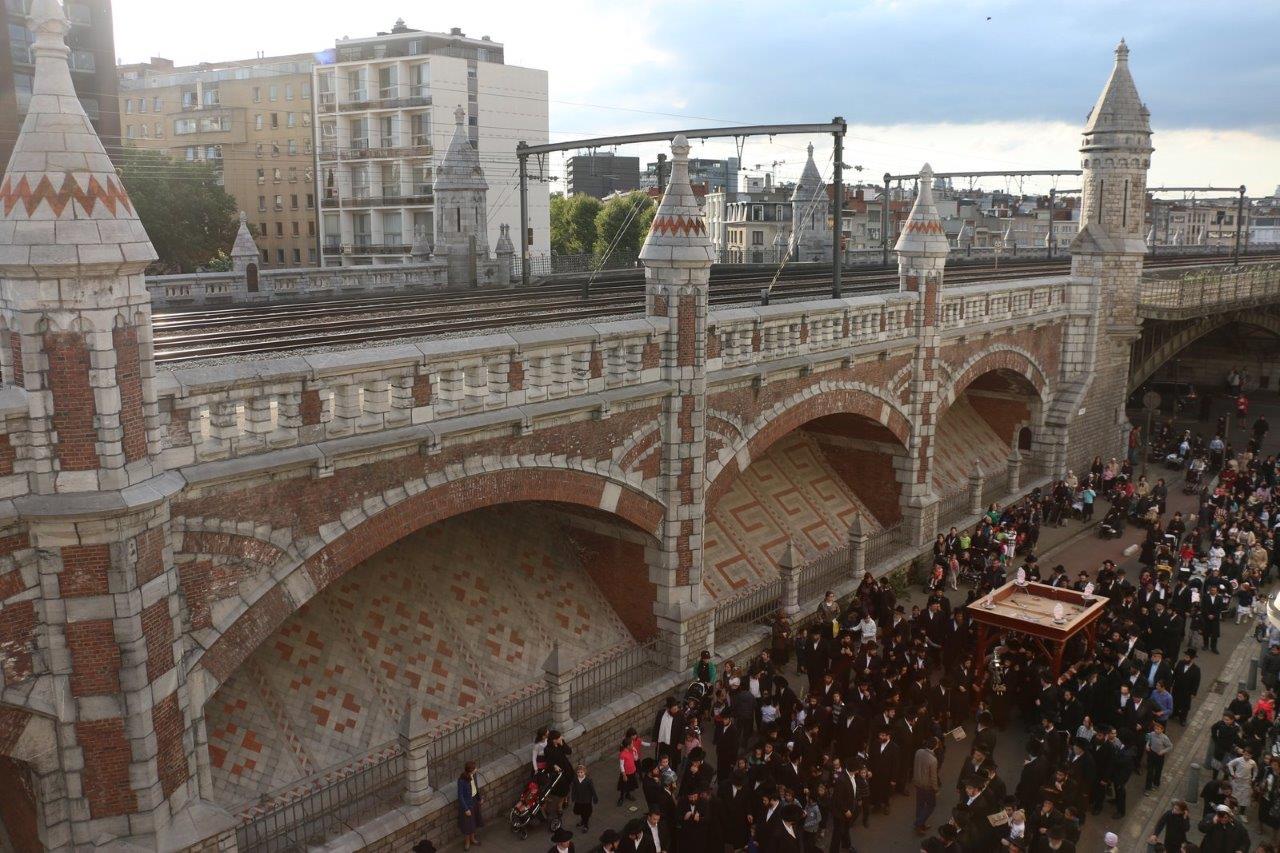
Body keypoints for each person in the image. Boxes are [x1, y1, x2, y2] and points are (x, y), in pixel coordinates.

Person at [913, 736, 940, 835]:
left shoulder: (918, 751)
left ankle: (921, 823)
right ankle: (919, 823)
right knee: (931, 805)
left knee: (920, 804)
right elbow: (933, 777)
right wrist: (936, 789)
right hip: (927, 786)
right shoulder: (933, 760)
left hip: (917, 783)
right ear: (935, 746)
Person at [457, 760, 483, 851]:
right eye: (475, 768)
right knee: (468, 824)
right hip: (468, 803)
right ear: (470, 770)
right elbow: (460, 796)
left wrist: (479, 798)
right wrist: (466, 809)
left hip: (474, 800)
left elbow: (476, 787)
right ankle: (467, 842)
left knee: (474, 821)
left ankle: (473, 839)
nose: (476, 769)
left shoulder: (474, 775)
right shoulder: (462, 780)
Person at [571, 764, 599, 833]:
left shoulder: (588, 780)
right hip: (579, 799)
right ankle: (583, 820)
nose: (580, 774)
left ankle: (586, 825)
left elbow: (592, 789)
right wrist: (573, 796)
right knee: (579, 811)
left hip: (586, 800)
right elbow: (574, 789)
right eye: (578, 772)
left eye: (581, 772)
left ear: (584, 772)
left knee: (586, 812)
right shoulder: (575, 780)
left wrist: (595, 797)